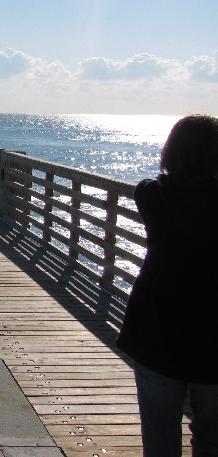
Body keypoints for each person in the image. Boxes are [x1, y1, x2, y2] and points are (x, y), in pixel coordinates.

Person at [116, 114, 218, 456]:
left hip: (157, 328)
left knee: (159, 436)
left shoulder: (152, 194)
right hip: (212, 331)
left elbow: (154, 183)